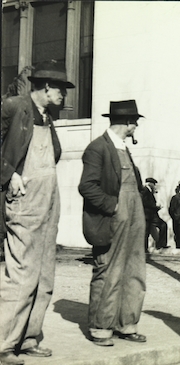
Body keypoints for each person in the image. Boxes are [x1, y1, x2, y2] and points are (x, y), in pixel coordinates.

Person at [0, 60, 75, 364]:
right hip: (25, 200)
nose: (64, 96)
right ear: (45, 87)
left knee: (44, 274)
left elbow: (53, 153)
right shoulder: (15, 107)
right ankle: (4, 343)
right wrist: (9, 174)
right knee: (21, 273)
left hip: (49, 202)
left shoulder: (47, 116)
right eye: (61, 89)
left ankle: (29, 338)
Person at [79, 99, 147, 346]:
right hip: (113, 219)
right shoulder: (98, 148)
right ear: (127, 123)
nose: (136, 127)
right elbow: (87, 186)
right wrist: (114, 205)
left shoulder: (123, 148)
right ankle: (101, 328)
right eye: (135, 123)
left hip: (135, 217)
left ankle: (127, 324)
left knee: (135, 270)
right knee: (109, 270)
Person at [141, 177, 168, 250]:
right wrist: (155, 206)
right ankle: (157, 245)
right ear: (150, 184)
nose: (155, 186)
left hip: (151, 215)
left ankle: (159, 245)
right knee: (147, 231)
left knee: (162, 225)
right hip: (148, 215)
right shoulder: (145, 190)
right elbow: (144, 202)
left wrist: (156, 208)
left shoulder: (149, 191)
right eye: (154, 184)